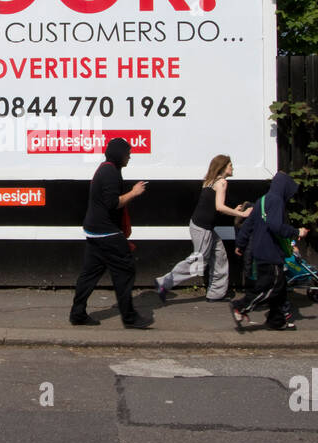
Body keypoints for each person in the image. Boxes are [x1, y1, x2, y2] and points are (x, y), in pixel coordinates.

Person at [69, 137, 153, 329]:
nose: (130, 157)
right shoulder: (110, 173)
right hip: (107, 233)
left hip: (94, 231)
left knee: (89, 274)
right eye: (128, 153)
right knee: (125, 272)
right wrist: (134, 192)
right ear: (119, 155)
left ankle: (77, 313)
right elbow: (112, 203)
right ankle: (130, 318)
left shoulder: (106, 168)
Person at [154, 155, 251, 303]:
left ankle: (216, 294)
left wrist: (233, 209)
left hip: (203, 226)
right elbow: (219, 207)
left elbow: (212, 205)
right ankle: (165, 282)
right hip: (203, 228)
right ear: (223, 166)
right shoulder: (222, 182)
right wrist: (241, 213)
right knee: (198, 262)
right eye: (230, 165)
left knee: (220, 257)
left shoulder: (210, 181)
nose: (233, 168)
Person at [232, 171, 309, 331]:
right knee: (270, 287)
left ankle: (276, 321)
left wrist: (240, 243)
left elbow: (248, 225)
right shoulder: (276, 201)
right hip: (271, 252)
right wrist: (296, 231)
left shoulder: (262, 200)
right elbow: (276, 226)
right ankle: (241, 306)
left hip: (260, 251)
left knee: (279, 289)